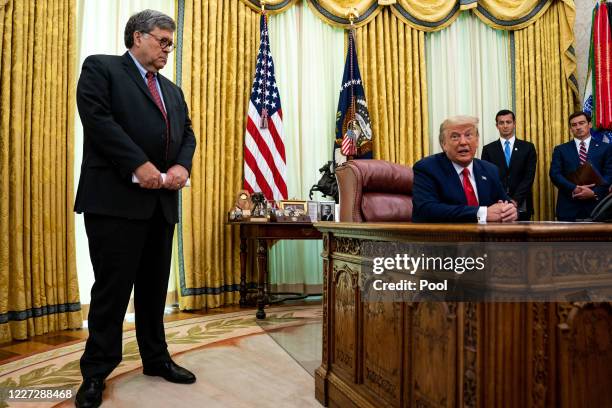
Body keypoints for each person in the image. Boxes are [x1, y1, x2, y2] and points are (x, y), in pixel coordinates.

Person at [74, 9, 197, 408]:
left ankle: (156, 358)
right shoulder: (102, 68)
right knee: (111, 291)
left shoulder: (173, 90)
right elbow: (98, 119)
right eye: (162, 40)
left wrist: (180, 165)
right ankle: (95, 371)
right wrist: (137, 164)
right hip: (114, 202)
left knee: (153, 290)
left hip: (161, 205)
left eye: (170, 43)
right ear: (138, 36)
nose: (168, 49)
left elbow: (188, 133)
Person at [412, 115, 517, 223]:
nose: (463, 142)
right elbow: (425, 210)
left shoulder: (490, 170)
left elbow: (505, 201)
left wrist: (510, 211)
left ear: (477, 141)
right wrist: (481, 213)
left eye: (468, 135)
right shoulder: (427, 168)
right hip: (447, 237)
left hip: (487, 237)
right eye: (455, 137)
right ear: (443, 144)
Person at [549, 111, 612, 221]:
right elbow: (555, 174)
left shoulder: (605, 148)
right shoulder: (560, 149)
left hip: (597, 208)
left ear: (589, 124)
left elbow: (609, 174)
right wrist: (574, 188)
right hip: (568, 208)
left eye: (581, 123)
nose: (578, 127)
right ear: (571, 129)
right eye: (574, 125)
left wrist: (594, 193)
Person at [481, 109, 537, 220]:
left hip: (522, 203)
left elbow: (529, 177)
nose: (505, 126)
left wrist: (515, 200)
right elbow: (486, 178)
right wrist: (503, 199)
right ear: (497, 126)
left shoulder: (528, 147)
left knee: (522, 236)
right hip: (497, 203)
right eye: (501, 123)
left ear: (514, 124)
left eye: (508, 122)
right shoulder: (488, 149)